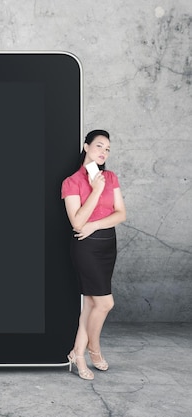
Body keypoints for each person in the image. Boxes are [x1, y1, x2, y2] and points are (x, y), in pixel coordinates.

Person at [61, 129, 127, 380]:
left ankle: (76, 354)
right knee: (105, 303)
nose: (103, 152)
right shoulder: (72, 181)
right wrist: (96, 191)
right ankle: (93, 349)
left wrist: (96, 225)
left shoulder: (110, 177)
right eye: (99, 146)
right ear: (86, 146)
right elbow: (77, 223)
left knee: (91, 303)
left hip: (107, 245)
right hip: (85, 249)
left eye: (107, 149)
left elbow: (121, 214)